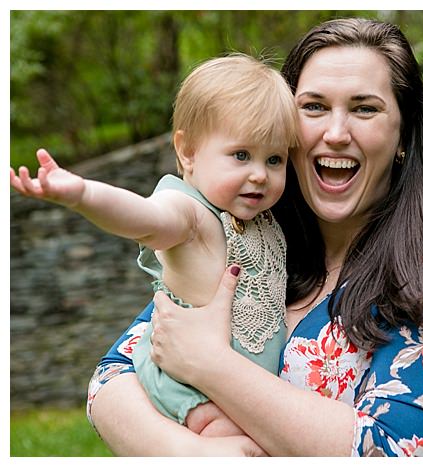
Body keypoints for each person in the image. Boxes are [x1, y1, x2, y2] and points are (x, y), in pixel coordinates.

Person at [87, 18, 423, 456]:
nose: (335, 134)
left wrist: (211, 364)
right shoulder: (252, 230)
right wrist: (190, 453)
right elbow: (111, 377)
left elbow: (394, 449)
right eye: (314, 107)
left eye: (364, 109)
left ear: (403, 134)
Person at [10, 54, 299, 438]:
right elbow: (143, 217)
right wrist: (82, 194)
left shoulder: (261, 219)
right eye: (241, 155)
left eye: (275, 159)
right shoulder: (190, 214)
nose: (260, 174)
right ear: (188, 152)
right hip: (195, 394)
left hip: (243, 388)